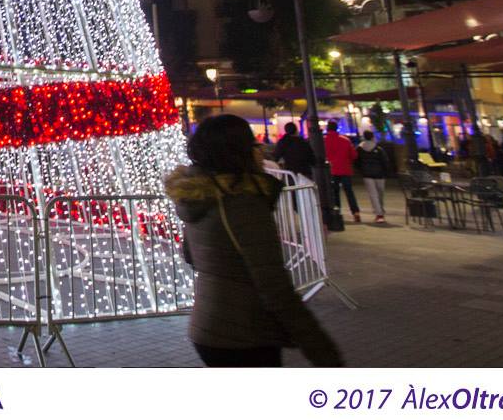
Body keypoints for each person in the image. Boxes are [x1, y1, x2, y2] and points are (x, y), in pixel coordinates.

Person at [166, 114, 344, 367]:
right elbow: (274, 286)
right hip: (244, 332)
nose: (259, 150)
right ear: (238, 151)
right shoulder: (242, 203)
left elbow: (190, 255)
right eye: (252, 144)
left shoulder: (198, 196)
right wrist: (321, 350)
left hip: (206, 326)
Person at [322, 121, 362, 223]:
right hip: (345, 169)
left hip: (331, 170)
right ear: (336, 129)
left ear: (327, 129)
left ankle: (337, 212)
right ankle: (355, 212)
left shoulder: (323, 141)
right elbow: (354, 155)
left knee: (334, 193)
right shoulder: (345, 140)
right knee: (349, 192)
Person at [355, 129, 390, 223]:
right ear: (372, 137)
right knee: (380, 194)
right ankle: (380, 211)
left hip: (367, 174)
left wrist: (361, 170)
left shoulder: (359, 148)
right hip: (380, 174)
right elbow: (385, 161)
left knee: (373, 194)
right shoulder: (378, 148)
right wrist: (385, 171)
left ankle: (379, 214)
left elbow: (356, 161)